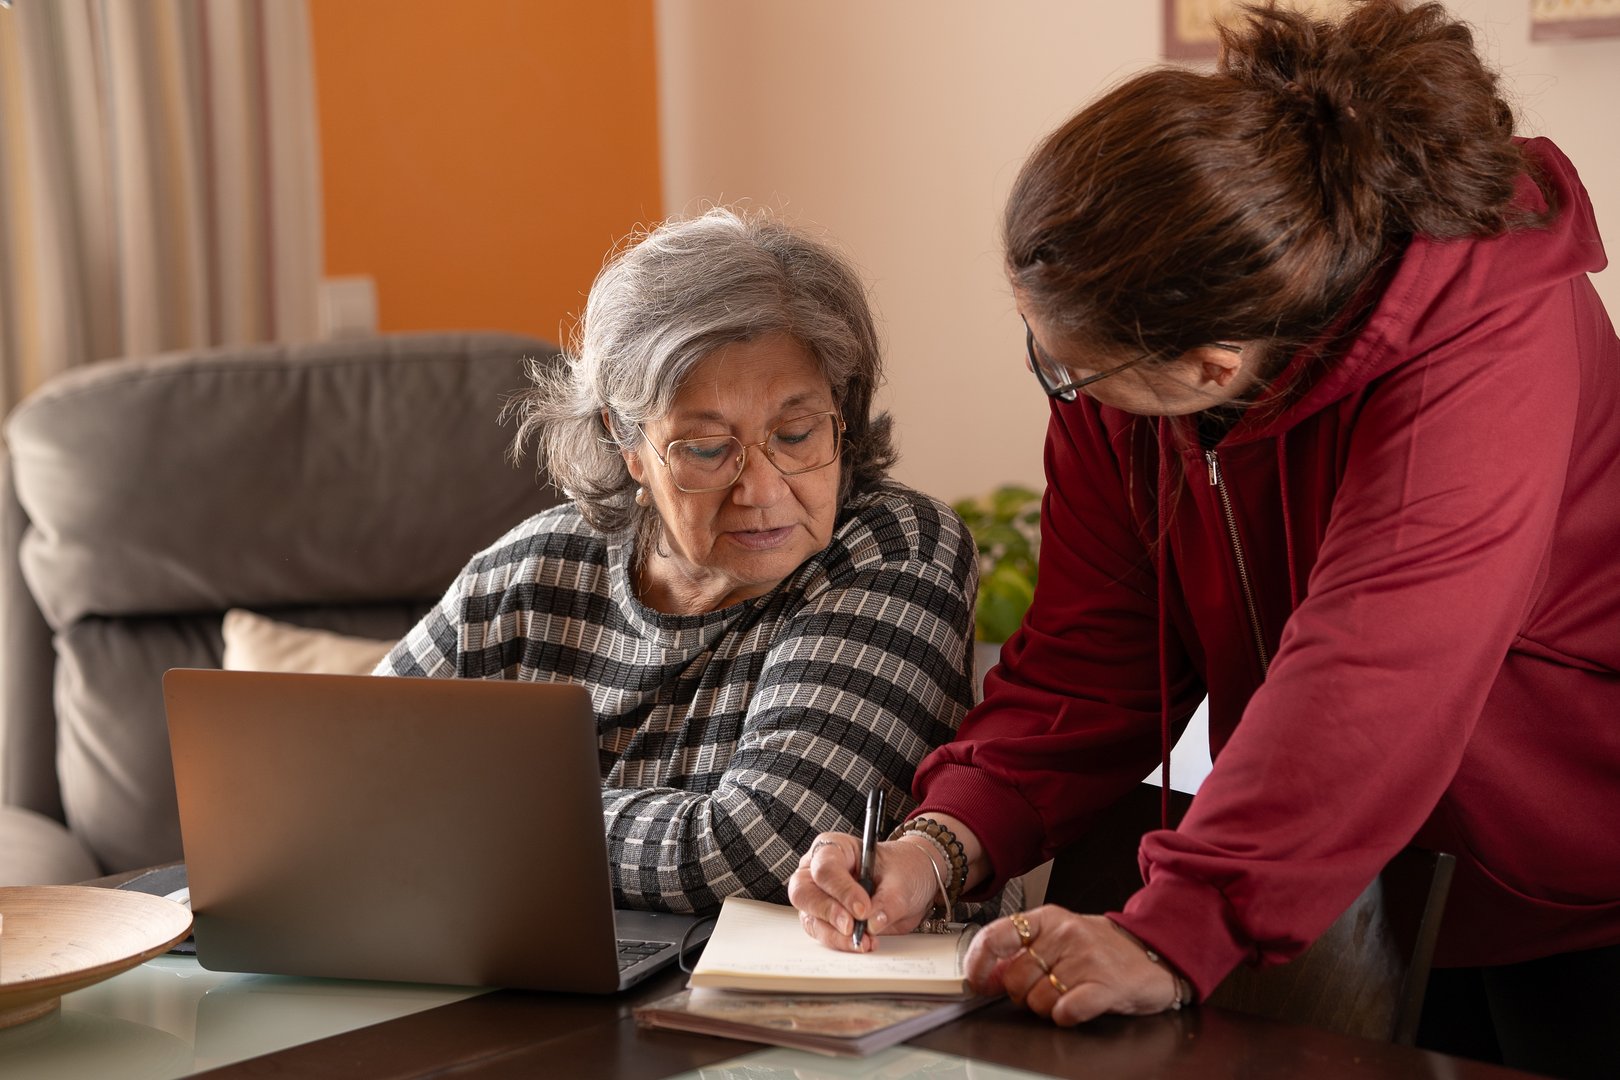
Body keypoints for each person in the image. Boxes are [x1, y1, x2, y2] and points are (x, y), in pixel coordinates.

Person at [788, 3, 1620, 1075]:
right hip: (1376, 880)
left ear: (1215, 367)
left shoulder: (1491, 335)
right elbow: (1092, 659)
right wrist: (940, 842)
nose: (1064, 389)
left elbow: (1373, 678)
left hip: (1578, 869)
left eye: (1074, 370)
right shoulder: (1129, 366)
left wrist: (1171, 930)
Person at [379, 207, 983, 916]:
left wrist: (464, 817)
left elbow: (754, 849)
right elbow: (351, 774)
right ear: (625, 440)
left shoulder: (895, 551)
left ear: (842, 413)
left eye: (795, 434)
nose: (762, 489)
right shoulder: (528, 571)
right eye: (705, 448)